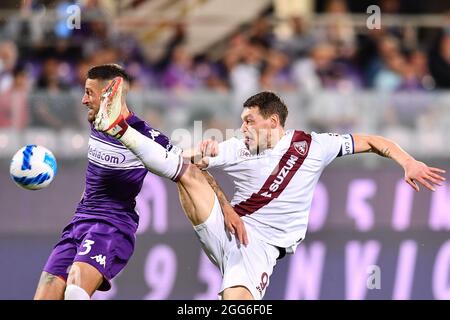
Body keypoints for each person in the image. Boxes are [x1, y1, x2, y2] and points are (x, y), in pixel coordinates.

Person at [95, 84, 446, 300]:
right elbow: (186, 159)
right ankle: (122, 126)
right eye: (242, 120)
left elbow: (372, 141)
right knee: (184, 171)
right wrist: (218, 191)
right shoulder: (237, 148)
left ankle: (123, 125)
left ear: (273, 122)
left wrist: (408, 161)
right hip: (229, 229)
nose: (243, 127)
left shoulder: (313, 146)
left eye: (250, 120)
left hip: (257, 247)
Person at [33, 64, 182, 300]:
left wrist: (211, 151)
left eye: (89, 92)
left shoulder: (144, 135)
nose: (83, 100)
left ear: (109, 94)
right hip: (79, 222)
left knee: (74, 290)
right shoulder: (97, 122)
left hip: (111, 225)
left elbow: (184, 161)